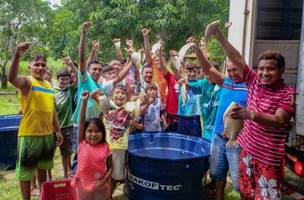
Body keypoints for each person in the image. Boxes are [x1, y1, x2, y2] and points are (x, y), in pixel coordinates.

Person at [206, 24, 295, 199]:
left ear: (281, 71)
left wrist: (250, 114)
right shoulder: (253, 80)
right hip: (247, 152)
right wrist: (220, 37)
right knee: (245, 193)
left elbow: (279, 120)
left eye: (271, 69)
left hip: (268, 159)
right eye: (261, 68)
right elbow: (235, 57)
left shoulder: (287, 92)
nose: (264, 73)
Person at [189, 24, 249, 199]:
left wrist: (220, 36)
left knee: (239, 181)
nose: (232, 73)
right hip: (218, 136)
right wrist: (198, 51)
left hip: (237, 139)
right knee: (217, 173)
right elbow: (207, 68)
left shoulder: (250, 86)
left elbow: (235, 56)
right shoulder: (226, 81)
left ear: (242, 67)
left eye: (235, 69)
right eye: (229, 70)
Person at [8, 42, 63, 200]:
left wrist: (57, 130)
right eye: (36, 64)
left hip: (47, 135)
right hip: (29, 135)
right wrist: (18, 55)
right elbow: (11, 78)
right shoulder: (27, 82)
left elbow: (52, 110)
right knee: (26, 173)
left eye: (43, 65)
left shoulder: (48, 85)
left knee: (43, 169)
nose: (40, 67)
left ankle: (42, 196)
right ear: (30, 67)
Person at [90, 84, 152, 198]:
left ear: (127, 96)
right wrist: (94, 94)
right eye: (117, 93)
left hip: (120, 148)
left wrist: (147, 101)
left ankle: (108, 196)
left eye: (123, 93)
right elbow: (94, 97)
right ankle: (100, 195)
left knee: (115, 175)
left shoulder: (130, 106)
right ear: (112, 96)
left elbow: (141, 109)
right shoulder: (107, 105)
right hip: (105, 147)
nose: (120, 95)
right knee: (102, 173)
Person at [72, 90, 112, 200]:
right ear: (84, 133)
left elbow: (110, 168)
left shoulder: (105, 147)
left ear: (103, 132)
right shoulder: (82, 143)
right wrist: (84, 103)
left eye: (97, 131)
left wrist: (103, 181)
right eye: (89, 131)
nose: (93, 134)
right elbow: (80, 124)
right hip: (82, 185)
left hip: (100, 185)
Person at [54, 68, 77, 178]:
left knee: (66, 153)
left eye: (67, 79)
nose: (64, 81)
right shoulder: (52, 91)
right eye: (62, 79)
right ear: (57, 79)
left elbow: (79, 78)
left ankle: (66, 174)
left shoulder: (70, 90)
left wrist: (71, 65)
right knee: (49, 154)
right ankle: (48, 175)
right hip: (54, 127)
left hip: (68, 126)